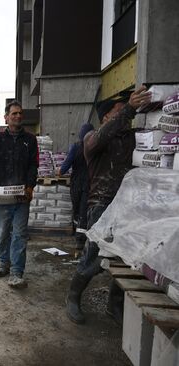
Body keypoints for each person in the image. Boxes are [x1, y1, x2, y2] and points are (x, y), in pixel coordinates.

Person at [66, 85, 152, 324]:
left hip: (130, 206)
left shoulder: (131, 138)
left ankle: (114, 304)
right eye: (120, 110)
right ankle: (73, 297)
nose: (126, 112)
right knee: (93, 255)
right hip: (102, 205)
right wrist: (130, 109)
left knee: (127, 258)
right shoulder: (92, 139)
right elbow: (100, 138)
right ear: (106, 117)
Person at [0, 101, 38, 289]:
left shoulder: (30, 140)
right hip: (1, 196)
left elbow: (33, 166)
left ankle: (16, 273)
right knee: (3, 234)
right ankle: (4, 263)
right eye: (14, 114)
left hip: (21, 197)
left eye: (20, 113)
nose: (18, 116)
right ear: (6, 117)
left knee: (19, 234)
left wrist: (30, 187)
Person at [58, 123, 94, 258]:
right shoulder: (94, 148)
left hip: (77, 183)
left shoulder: (76, 147)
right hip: (90, 183)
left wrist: (60, 171)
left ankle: (78, 238)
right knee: (85, 211)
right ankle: (81, 238)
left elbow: (66, 165)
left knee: (78, 210)